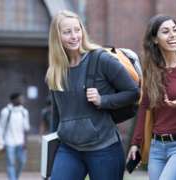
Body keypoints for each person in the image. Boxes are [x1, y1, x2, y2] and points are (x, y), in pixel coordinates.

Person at [46, 10, 139, 180]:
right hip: (69, 149)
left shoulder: (101, 59)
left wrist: (103, 100)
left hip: (104, 148)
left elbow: (133, 92)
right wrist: (51, 152)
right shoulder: (55, 71)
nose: (74, 36)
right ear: (57, 37)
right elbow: (57, 115)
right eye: (67, 32)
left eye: (77, 29)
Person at [128, 15, 176, 180]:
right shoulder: (151, 70)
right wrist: (136, 143)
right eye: (165, 32)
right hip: (157, 148)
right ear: (155, 40)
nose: (173, 35)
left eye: (175, 30)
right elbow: (144, 107)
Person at [1, 93, 30, 180]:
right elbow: (1, 128)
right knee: (11, 163)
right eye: (20, 98)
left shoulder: (24, 112)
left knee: (22, 162)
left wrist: (25, 142)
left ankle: (15, 178)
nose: (22, 100)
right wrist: (1, 143)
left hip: (21, 142)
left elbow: (26, 129)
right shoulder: (5, 111)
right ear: (13, 100)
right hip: (9, 142)